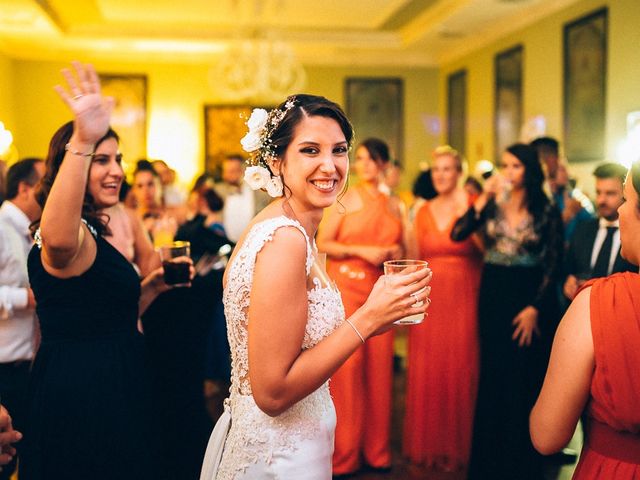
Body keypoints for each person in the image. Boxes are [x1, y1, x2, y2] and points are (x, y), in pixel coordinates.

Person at [200, 95, 431, 479]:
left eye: (339, 150)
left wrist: (379, 316)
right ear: (277, 161)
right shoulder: (285, 240)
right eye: (310, 150)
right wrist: (368, 317)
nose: (330, 165)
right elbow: (273, 393)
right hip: (281, 457)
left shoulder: (286, 228)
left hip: (292, 445)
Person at [21, 62, 191, 480]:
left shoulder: (96, 227)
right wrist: (83, 136)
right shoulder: (68, 233)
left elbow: (105, 311)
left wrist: (150, 286)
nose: (116, 170)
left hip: (117, 377)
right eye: (102, 161)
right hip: (84, 388)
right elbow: (57, 242)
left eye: (118, 159)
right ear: (72, 165)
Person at [451, 143, 564, 479]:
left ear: (529, 170)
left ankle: (521, 466)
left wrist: (535, 309)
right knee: (493, 378)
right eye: (505, 165)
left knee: (523, 379)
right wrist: (483, 198)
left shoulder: (545, 210)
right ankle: (488, 466)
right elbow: (457, 233)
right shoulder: (492, 205)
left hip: (529, 296)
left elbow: (554, 263)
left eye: (516, 166)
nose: (509, 172)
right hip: (493, 295)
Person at [530, 160, 640, 478]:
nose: (619, 210)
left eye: (627, 199)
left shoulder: (598, 301)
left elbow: (546, 436)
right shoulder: (585, 229)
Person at [317, 137, 405, 476]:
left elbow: (405, 247)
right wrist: (364, 251)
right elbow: (323, 241)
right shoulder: (346, 197)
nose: (367, 165)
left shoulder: (395, 203)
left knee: (381, 371)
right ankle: (344, 455)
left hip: (380, 290)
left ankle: (378, 451)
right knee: (348, 372)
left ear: (384, 164)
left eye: (374, 159)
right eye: (362, 158)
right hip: (349, 287)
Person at [403, 146, 482, 471]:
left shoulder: (471, 207)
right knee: (429, 367)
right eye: (437, 170)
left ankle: (457, 448)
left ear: (459, 173)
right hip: (430, 295)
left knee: (461, 366)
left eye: (448, 169)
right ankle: (429, 446)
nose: (441, 175)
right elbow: (411, 257)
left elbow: (487, 251)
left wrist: (473, 219)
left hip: (464, 293)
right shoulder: (421, 211)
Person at [0, 157, 44, 479]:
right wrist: (25, 299)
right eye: (45, 183)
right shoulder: (1, 230)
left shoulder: (29, 233)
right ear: (25, 188)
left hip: (28, 365)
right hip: (6, 367)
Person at [563, 162, 636, 301]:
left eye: (610, 193)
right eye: (598, 192)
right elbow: (569, 268)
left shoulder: (634, 235)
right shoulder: (582, 229)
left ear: (626, 193)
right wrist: (569, 280)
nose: (601, 200)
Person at [213, 154, 270, 243]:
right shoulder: (219, 190)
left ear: (243, 171)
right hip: (226, 243)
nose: (226, 175)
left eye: (232, 171)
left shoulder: (259, 191)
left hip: (254, 242)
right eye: (225, 171)